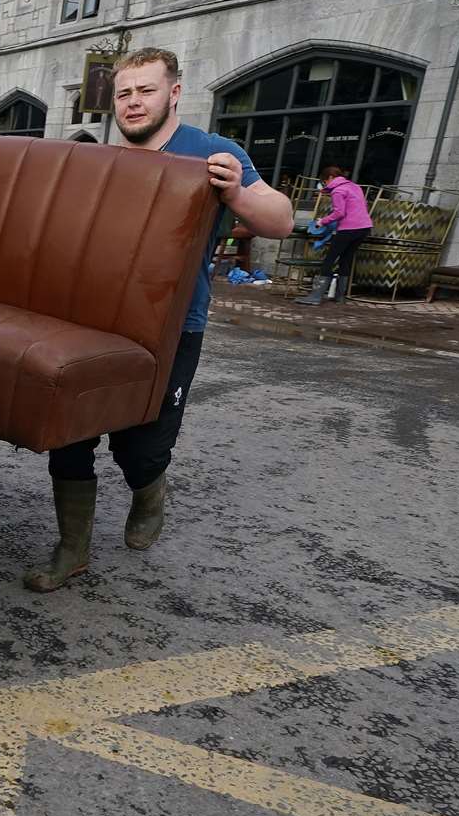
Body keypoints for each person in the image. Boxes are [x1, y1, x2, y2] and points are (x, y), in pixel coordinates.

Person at [27, 48, 292, 593]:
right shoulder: (97, 159)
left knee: (140, 445)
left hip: (172, 326)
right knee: (70, 435)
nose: (133, 102)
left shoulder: (214, 153)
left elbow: (281, 221)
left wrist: (237, 192)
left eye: (145, 90)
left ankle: (150, 490)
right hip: (87, 321)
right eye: (124, 93)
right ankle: (72, 549)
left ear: (174, 92)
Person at [295, 164, 372, 306]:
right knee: (346, 259)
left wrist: (322, 222)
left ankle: (315, 296)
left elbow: (339, 213)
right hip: (364, 227)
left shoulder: (338, 190)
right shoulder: (355, 187)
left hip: (348, 228)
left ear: (330, 177)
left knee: (330, 259)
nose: (325, 184)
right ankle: (340, 297)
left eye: (324, 181)